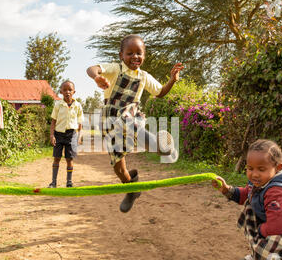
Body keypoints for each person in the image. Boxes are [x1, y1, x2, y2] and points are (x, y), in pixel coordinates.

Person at [86, 34, 184, 213]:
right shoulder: (115, 69)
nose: (134, 57)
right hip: (110, 119)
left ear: (144, 56)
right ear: (121, 55)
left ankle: (161, 145)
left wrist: (172, 80)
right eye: (129, 53)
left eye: (139, 53)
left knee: (128, 123)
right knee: (118, 167)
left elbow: (160, 92)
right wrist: (97, 77)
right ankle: (131, 188)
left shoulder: (144, 76)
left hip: (129, 115)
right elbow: (92, 68)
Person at [48, 80, 84, 188]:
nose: (67, 92)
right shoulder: (58, 105)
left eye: (70, 90)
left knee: (69, 159)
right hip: (59, 134)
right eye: (65, 90)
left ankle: (69, 182)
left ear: (74, 91)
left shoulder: (77, 106)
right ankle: (53, 182)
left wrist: (79, 136)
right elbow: (53, 121)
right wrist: (52, 135)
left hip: (71, 134)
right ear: (61, 92)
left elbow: (80, 123)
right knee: (57, 158)